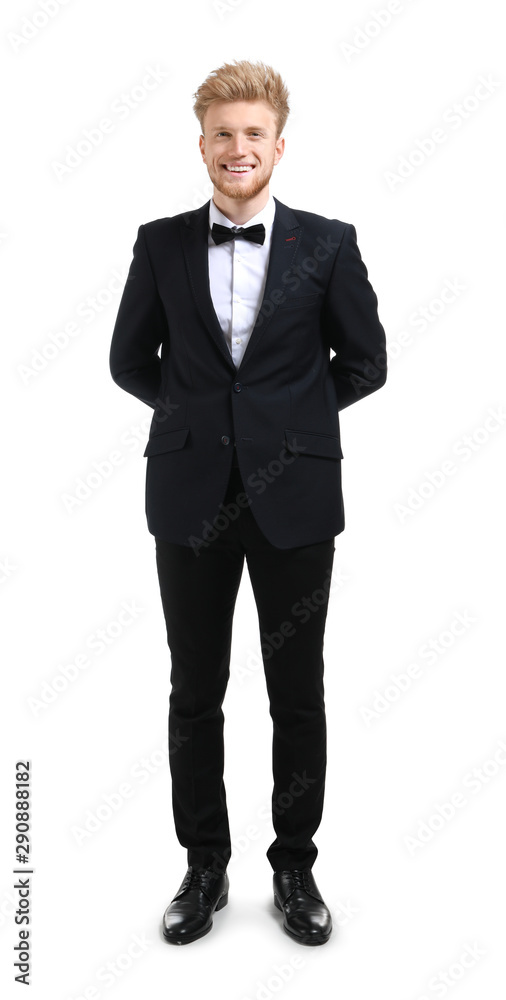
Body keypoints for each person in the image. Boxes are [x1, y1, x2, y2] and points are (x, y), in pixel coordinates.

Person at [109, 58, 387, 946]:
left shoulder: (328, 243)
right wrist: (203, 419)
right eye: (222, 134)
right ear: (202, 144)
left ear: (279, 144)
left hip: (295, 496)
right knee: (195, 691)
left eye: (252, 134)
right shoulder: (159, 243)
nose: (238, 149)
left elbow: (367, 362)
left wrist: (285, 424)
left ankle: (295, 866)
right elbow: (128, 361)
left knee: (295, 692)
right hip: (189, 496)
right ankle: (203, 865)